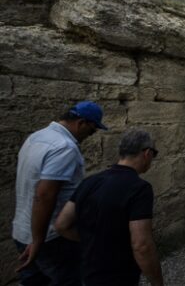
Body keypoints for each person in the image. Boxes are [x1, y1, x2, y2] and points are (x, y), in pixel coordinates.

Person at [12, 101, 107, 285]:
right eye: (92, 130)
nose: (90, 135)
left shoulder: (36, 137)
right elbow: (45, 195)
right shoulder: (65, 147)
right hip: (51, 238)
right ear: (81, 123)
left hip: (22, 232)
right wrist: (38, 239)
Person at [54, 129, 164, 286]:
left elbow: (61, 225)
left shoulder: (89, 182)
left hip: (88, 270)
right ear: (147, 153)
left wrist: (92, 240)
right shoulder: (139, 188)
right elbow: (141, 245)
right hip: (117, 275)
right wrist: (157, 283)